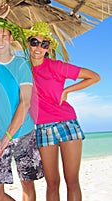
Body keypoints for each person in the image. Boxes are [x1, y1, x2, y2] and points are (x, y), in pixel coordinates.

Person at [24, 22, 101, 201]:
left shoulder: (56, 66)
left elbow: (94, 76)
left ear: (48, 48)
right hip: (42, 127)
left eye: (44, 44)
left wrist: (67, 91)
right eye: (35, 42)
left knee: (72, 181)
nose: (38, 48)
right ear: (28, 43)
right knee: (52, 183)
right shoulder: (23, 69)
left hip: (67, 123)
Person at [0, 18, 44, 201]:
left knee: (27, 185)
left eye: (4, 36)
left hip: (23, 133)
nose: (0, 41)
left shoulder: (22, 64)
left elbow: (24, 103)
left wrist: (8, 138)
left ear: (10, 39)